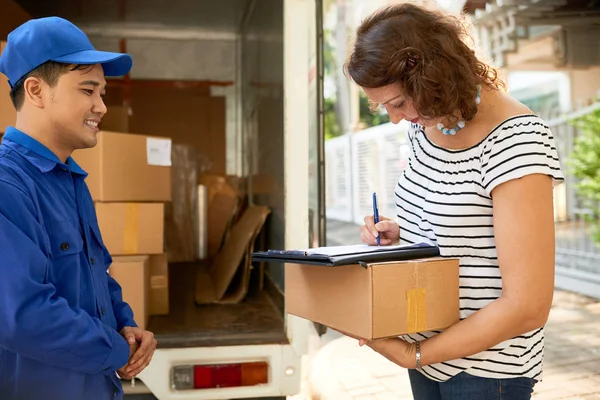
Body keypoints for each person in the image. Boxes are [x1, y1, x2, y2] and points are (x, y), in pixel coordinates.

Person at [345, 3, 564, 400]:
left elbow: (528, 305)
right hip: (429, 356)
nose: (394, 119)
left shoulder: (515, 141)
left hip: (485, 370)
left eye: (397, 103)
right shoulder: (426, 125)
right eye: (384, 107)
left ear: (433, 76)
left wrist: (415, 354)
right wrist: (402, 234)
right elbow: (458, 225)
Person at [0, 16, 157, 400]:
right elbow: (23, 316)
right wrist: (116, 350)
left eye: (102, 93)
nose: (101, 106)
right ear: (36, 90)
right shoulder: (8, 186)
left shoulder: (69, 180)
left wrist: (125, 325)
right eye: (88, 90)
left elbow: (94, 274)